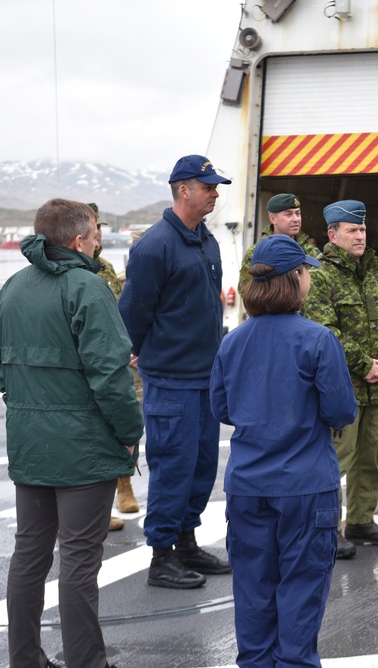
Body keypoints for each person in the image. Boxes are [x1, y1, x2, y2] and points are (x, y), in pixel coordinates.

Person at [0, 198, 142, 668]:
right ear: (78, 240)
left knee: (29, 555)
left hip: (30, 443)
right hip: (85, 449)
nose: (98, 239)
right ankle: (86, 662)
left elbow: (1, 371)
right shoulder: (87, 288)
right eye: (96, 232)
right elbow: (111, 376)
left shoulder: (12, 287)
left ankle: (26, 660)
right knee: (78, 561)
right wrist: (129, 432)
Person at [211, 234, 358, 668]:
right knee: (301, 593)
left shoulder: (232, 341)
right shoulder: (317, 339)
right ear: (294, 278)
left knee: (253, 592)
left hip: (248, 484)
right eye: (305, 271)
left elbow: (221, 407)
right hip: (305, 485)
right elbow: (341, 411)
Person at [119, 154, 232, 589]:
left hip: (205, 377)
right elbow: (133, 310)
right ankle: (161, 556)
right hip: (170, 381)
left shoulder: (207, 240)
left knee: (202, 466)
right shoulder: (154, 245)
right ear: (183, 190)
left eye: (216, 186)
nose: (214, 193)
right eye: (207, 187)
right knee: (173, 467)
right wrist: (130, 352)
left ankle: (186, 542)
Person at [303, 199, 378, 560]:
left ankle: (361, 521)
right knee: (336, 462)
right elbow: (325, 332)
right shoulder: (320, 276)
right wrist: (363, 364)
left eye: (362, 229)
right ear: (333, 234)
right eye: (353, 230)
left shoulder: (376, 273)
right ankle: (326, 529)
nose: (360, 236)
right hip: (340, 388)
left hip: (376, 386)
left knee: (368, 458)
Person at [89, 203, 141, 531]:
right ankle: (97, 504)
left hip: (118, 362)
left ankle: (124, 485)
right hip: (89, 366)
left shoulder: (106, 269)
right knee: (92, 432)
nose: (99, 236)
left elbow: (122, 313)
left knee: (127, 423)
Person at [239, 193, 321, 292]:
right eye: (288, 214)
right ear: (273, 218)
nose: (296, 219)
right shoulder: (257, 252)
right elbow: (246, 290)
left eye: (298, 213)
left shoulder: (311, 251)